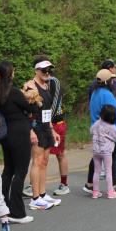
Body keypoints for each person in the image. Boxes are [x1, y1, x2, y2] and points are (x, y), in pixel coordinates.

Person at [0, 61, 37, 224]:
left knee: (8, 170)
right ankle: (17, 213)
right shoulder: (14, 92)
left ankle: (3, 207)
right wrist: (31, 93)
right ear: (11, 74)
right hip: (20, 133)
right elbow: (32, 109)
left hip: (5, 134)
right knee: (20, 171)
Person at [24, 57, 61, 211]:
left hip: (46, 126)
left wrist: (52, 129)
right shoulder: (30, 86)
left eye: (49, 70)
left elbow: (47, 111)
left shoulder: (47, 85)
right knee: (37, 161)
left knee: (45, 161)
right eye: (44, 70)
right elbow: (26, 112)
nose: (47, 73)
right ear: (36, 70)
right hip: (35, 127)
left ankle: (42, 194)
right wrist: (30, 130)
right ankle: (35, 198)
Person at [84, 69, 116, 194]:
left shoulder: (95, 92)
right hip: (109, 129)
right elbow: (114, 112)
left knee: (96, 157)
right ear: (107, 81)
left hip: (96, 128)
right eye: (111, 79)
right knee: (112, 157)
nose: (113, 81)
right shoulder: (107, 94)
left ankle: (90, 184)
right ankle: (113, 186)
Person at [91, 104, 116, 199]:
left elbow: (91, 131)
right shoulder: (111, 126)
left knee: (96, 172)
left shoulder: (97, 123)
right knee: (108, 172)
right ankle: (110, 192)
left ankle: (95, 192)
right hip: (106, 152)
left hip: (96, 150)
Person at [48, 66, 71, 195]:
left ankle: (64, 184)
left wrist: (48, 121)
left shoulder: (53, 81)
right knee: (40, 155)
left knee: (60, 154)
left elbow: (55, 103)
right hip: (45, 123)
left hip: (56, 123)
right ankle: (33, 185)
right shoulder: (37, 83)